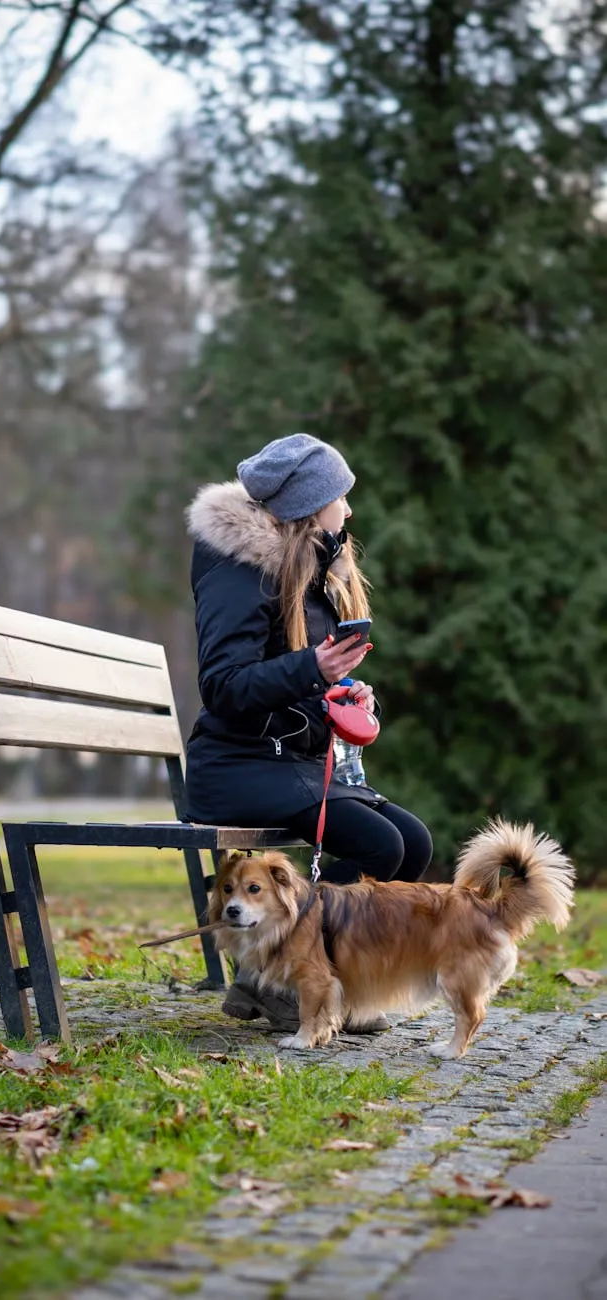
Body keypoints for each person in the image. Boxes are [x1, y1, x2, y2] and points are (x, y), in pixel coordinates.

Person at [184, 433, 433, 1028]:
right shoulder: (239, 570)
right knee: (382, 847)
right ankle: (295, 984)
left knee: (414, 843)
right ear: (308, 504)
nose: (348, 511)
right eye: (340, 497)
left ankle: (273, 978)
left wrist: (339, 695)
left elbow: (292, 682)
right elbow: (225, 686)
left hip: (284, 761)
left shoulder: (312, 567)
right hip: (236, 766)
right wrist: (311, 668)